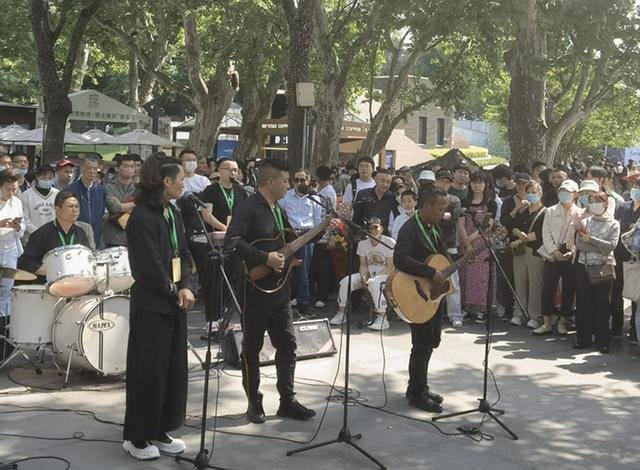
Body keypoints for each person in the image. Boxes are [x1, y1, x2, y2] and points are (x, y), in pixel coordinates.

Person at [225, 159, 319, 424]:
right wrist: (264, 258)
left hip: (280, 290)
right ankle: (253, 401)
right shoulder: (248, 208)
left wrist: (320, 229)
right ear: (270, 182)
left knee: (287, 344)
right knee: (252, 346)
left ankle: (287, 400)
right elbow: (233, 241)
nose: (289, 186)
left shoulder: (278, 209)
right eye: (286, 181)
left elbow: (288, 242)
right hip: (255, 290)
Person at [122, 155, 195, 460]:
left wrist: (187, 285)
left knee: (171, 371)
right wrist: (175, 291)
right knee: (148, 371)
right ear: (166, 182)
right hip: (152, 305)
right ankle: (137, 437)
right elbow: (148, 266)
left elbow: (184, 253)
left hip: (175, 303)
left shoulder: (172, 212)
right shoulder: (142, 217)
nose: (184, 184)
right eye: (180, 179)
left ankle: (161, 428)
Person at [394, 188, 448, 413]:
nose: (444, 213)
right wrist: (429, 272)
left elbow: (442, 259)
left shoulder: (434, 228)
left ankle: (418, 386)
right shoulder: (410, 229)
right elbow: (400, 259)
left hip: (433, 295)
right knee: (421, 344)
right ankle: (417, 395)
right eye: (440, 209)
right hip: (416, 294)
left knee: (430, 342)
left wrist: (463, 260)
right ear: (426, 207)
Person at [573, 192, 620, 353]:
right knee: (583, 304)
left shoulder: (614, 224)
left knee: (603, 305)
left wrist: (591, 240)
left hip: (603, 268)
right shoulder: (585, 221)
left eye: (597, 201)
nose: (594, 205)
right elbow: (579, 244)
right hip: (584, 266)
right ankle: (583, 339)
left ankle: (603, 341)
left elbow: (611, 246)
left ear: (605, 204)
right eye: (591, 202)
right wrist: (599, 246)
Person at [330, 217, 395, 330]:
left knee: (374, 283)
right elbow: (363, 264)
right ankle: (341, 313)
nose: (373, 230)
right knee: (345, 282)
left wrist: (374, 278)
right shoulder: (363, 244)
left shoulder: (389, 242)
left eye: (375, 227)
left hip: (385, 275)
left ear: (381, 229)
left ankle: (383, 319)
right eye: (370, 228)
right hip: (368, 274)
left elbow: (390, 266)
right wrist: (365, 277)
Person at [535, 179, 581, 335]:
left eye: (568, 192)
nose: (564, 194)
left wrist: (572, 251)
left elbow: (579, 236)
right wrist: (554, 251)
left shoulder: (580, 213)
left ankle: (563, 321)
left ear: (575, 194)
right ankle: (546, 322)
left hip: (569, 253)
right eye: (562, 191)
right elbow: (545, 233)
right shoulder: (550, 210)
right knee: (548, 287)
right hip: (552, 253)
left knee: (569, 288)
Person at [18, 191, 95, 278]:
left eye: (77, 206)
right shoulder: (42, 234)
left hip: (76, 281)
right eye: (70, 206)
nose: (75, 210)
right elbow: (25, 262)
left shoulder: (81, 232)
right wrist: (48, 271)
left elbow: (88, 258)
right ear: (58, 210)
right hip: (49, 283)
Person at [279, 169, 323, 316]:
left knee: (304, 273)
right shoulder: (286, 195)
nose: (299, 183)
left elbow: (317, 221)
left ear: (308, 181)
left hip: (307, 236)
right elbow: (279, 214)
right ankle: (288, 301)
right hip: (289, 235)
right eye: (296, 180)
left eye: (302, 180)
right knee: (287, 271)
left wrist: (313, 236)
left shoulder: (314, 198)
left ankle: (304, 305)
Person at [458, 171, 497, 322]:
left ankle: (481, 309)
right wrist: (467, 242)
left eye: (480, 182)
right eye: (474, 182)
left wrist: (472, 238)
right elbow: (460, 223)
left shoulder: (491, 203)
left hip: (482, 244)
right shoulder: (464, 201)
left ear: (486, 184)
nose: (477, 185)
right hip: (466, 243)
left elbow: (488, 225)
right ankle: (467, 309)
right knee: (466, 275)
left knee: (482, 277)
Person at [508, 181, 546, 329]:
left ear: (540, 193)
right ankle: (519, 313)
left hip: (534, 251)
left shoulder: (545, 212)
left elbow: (540, 233)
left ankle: (535, 315)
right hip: (519, 251)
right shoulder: (523, 211)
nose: (531, 195)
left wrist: (520, 239)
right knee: (519, 283)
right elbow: (512, 226)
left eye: (534, 192)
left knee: (535, 284)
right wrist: (518, 233)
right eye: (528, 192)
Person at [610, 173, 640, 342]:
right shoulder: (623, 206)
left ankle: (635, 331)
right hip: (619, 255)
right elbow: (616, 227)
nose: (636, 190)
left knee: (636, 294)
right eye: (635, 186)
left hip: (636, 258)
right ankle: (616, 326)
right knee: (617, 291)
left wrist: (628, 227)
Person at [433, 169, 463, 327]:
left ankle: (455, 315)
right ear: (436, 181)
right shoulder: (428, 198)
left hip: (449, 245)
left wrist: (437, 216)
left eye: (447, 182)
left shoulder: (455, 200)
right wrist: (443, 215)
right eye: (442, 181)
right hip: (430, 244)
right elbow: (425, 218)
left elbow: (453, 221)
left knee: (453, 281)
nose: (444, 184)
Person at [311, 165, 338, 308]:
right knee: (321, 266)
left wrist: (331, 235)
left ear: (318, 177)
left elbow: (331, 214)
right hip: (320, 232)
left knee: (323, 267)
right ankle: (323, 293)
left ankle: (323, 295)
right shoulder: (325, 190)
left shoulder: (326, 192)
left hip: (324, 234)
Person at [0, 170, 24, 320]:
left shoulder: (17, 202)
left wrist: (18, 226)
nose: (11, 193)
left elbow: (23, 226)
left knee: (7, 290)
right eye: (7, 189)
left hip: (10, 250)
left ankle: (4, 323)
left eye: (14, 189)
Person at [67, 157, 106, 248]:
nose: (92, 171)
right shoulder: (71, 189)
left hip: (96, 235)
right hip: (76, 234)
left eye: (95, 169)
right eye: (89, 168)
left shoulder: (101, 190)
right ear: (81, 169)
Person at [200, 158, 247, 231]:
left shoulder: (241, 190)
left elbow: (245, 213)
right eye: (229, 170)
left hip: (236, 231)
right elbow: (207, 215)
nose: (233, 173)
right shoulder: (210, 190)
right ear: (219, 170)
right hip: (216, 233)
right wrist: (225, 229)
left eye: (235, 170)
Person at [103, 154, 139, 247]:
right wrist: (136, 204)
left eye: (132, 167)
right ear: (118, 168)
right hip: (113, 236)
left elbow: (141, 209)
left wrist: (123, 206)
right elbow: (114, 207)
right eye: (125, 166)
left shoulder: (139, 189)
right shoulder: (109, 187)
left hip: (133, 235)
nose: (129, 169)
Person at [352, 168, 398, 236]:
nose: (385, 184)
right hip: (365, 235)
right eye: (382, 181)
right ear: (375, 180)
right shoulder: (363, 194)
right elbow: (356, 217)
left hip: (383, 237)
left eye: (388, 182)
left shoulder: (392, 198)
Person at [20, 165, 59, 242]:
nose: (47, 180)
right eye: (44, 178)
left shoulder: (57, 193)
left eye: (50, 178)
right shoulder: (27, 194)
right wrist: (39, 233)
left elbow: (60, 216)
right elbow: (25, 218)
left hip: (52, 237)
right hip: (32, 238)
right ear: (37, 177)